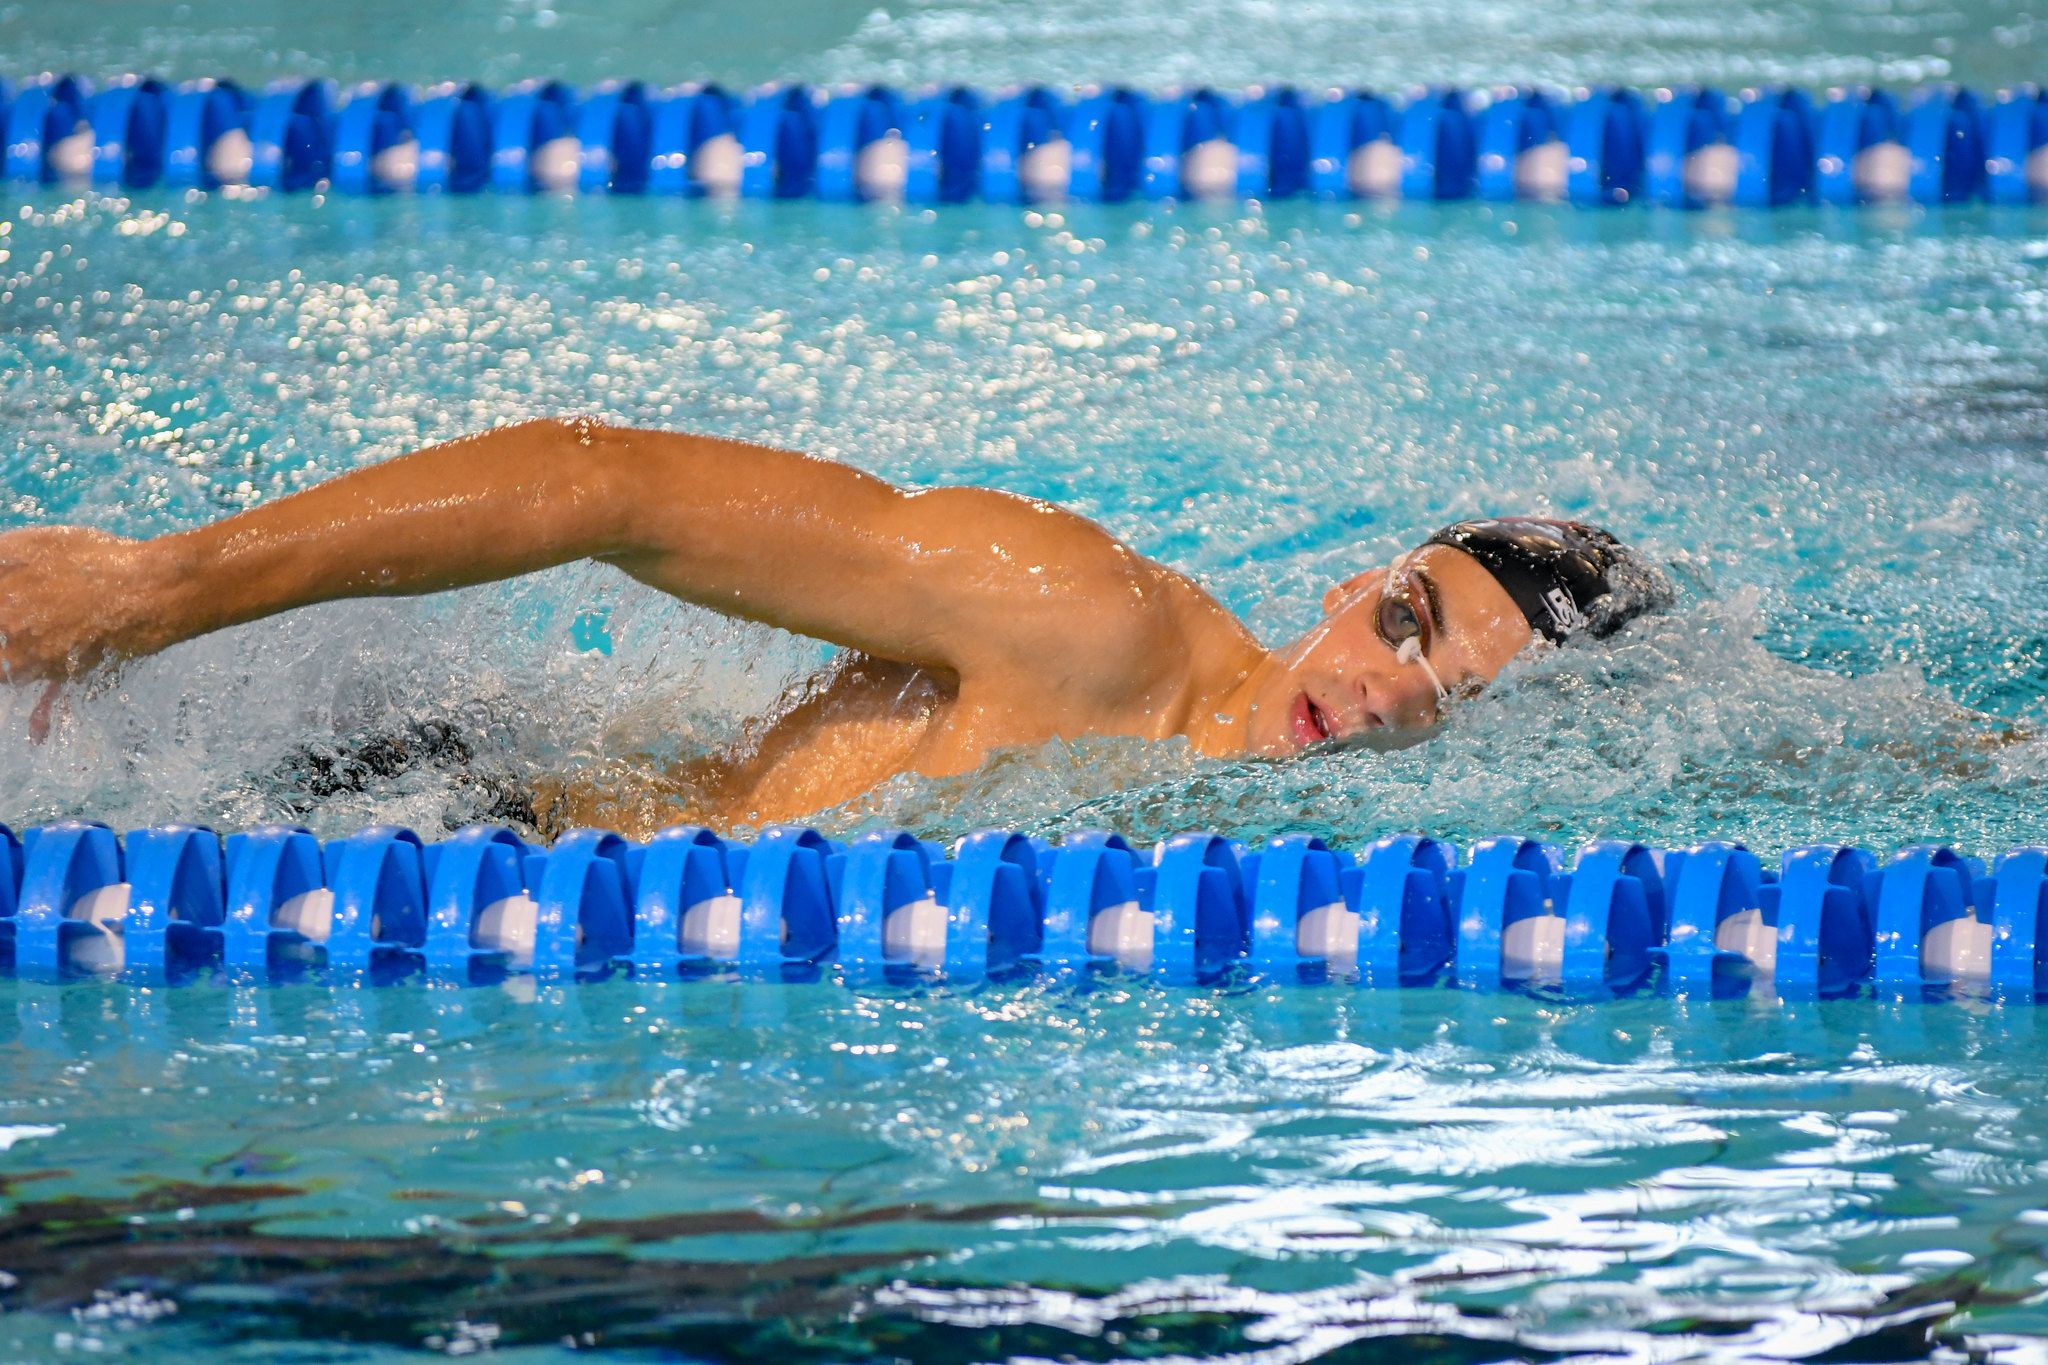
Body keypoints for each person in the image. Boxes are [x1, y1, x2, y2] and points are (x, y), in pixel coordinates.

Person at [0, 419, 1667, 833]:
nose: (1379, 686)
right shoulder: (1077, 620)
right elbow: (609, 483)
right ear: (1343, 583)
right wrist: (158, 588)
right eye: (1402, 615)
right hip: (448, 830)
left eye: (1445, 686)